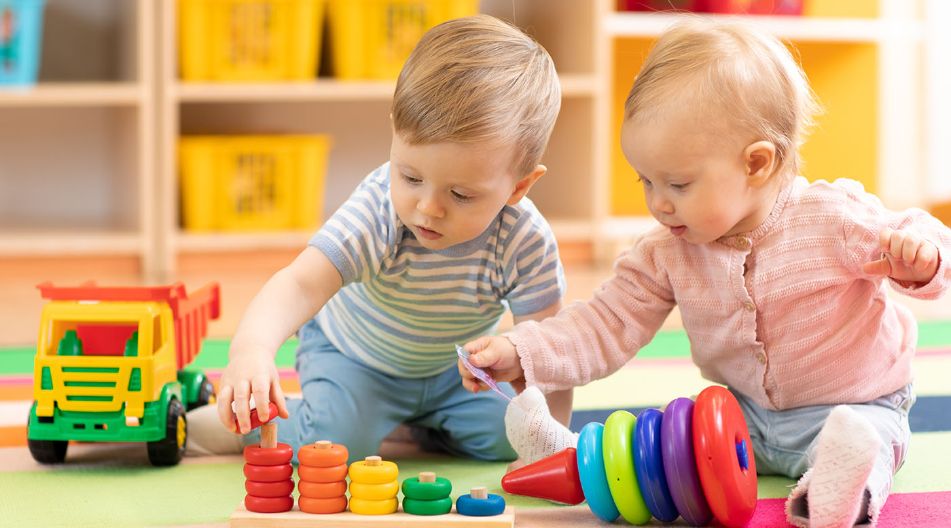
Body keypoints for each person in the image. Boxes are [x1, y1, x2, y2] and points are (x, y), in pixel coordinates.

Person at [460, 18, 950, 528]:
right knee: (665, 458)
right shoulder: (667, 252)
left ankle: (831, 495)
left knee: (867, 444)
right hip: (742, 417)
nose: (657, 204)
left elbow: (927, 239)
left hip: (854, 405)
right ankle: (572, 459)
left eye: (677, 183)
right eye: (645, 180)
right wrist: (523, 351)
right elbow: (605, 322)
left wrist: (922, 257)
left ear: (756, 164)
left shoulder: (832, 217)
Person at [183, 14, 574, 464]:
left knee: (513, 435)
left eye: (461, 194)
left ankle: (424, 425)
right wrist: (251, 349)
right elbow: (298, 284)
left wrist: (551, 441)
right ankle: (245, 428)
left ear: (519, 187)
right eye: (409, 175)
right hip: (354, 359)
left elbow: (546, 350)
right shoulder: (378, 213)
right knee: (334, 447)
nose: (428, 207)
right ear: (394, 133)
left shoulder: (525, 239)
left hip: (455, 371)